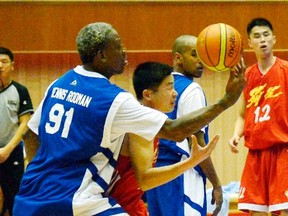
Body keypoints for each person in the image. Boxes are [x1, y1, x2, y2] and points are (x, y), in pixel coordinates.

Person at [13, 22, 245, 216]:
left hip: (30, 194)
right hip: (74, 199)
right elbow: (174, 130)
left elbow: (30, 134)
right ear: (101, 55)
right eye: (118, 47)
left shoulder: (59, 83)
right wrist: (226, 101)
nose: (125, 51)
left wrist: (40, 172)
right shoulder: (113, 99)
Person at [107, 61, 221, 216]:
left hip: (130, 204)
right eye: (169, 87)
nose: (175, 93)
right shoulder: (140, 126)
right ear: (148, 94)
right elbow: (144, 180)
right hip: (112, 206)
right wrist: (190, 162)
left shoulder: (150, 125)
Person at [146, 35, 223, 216]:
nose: (201, 61)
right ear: (178, 58)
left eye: (203, 56)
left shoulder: (158, 87)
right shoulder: (191, 90)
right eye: (195, 55)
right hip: (180, 174)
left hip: (154, 174)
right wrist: (216, 183)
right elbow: (197, 142)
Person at [229, 17, 288, 216]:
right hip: (255, 155)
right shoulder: (247, 76)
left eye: (266, 35)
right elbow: (242, 115)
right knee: (255, 212)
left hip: (282, 151)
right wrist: (236, 135)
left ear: (274, 39)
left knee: (284, 209)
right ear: (249, 43)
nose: (262, 39)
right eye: (257, 36)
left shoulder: (285, 71)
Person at [0, 47, 33, 216]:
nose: (0, 66)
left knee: (14, 197)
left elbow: (25, 123)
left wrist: (7, 150)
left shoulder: (20, 91)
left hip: (12, 152)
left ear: (12, 65)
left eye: (4, 62)